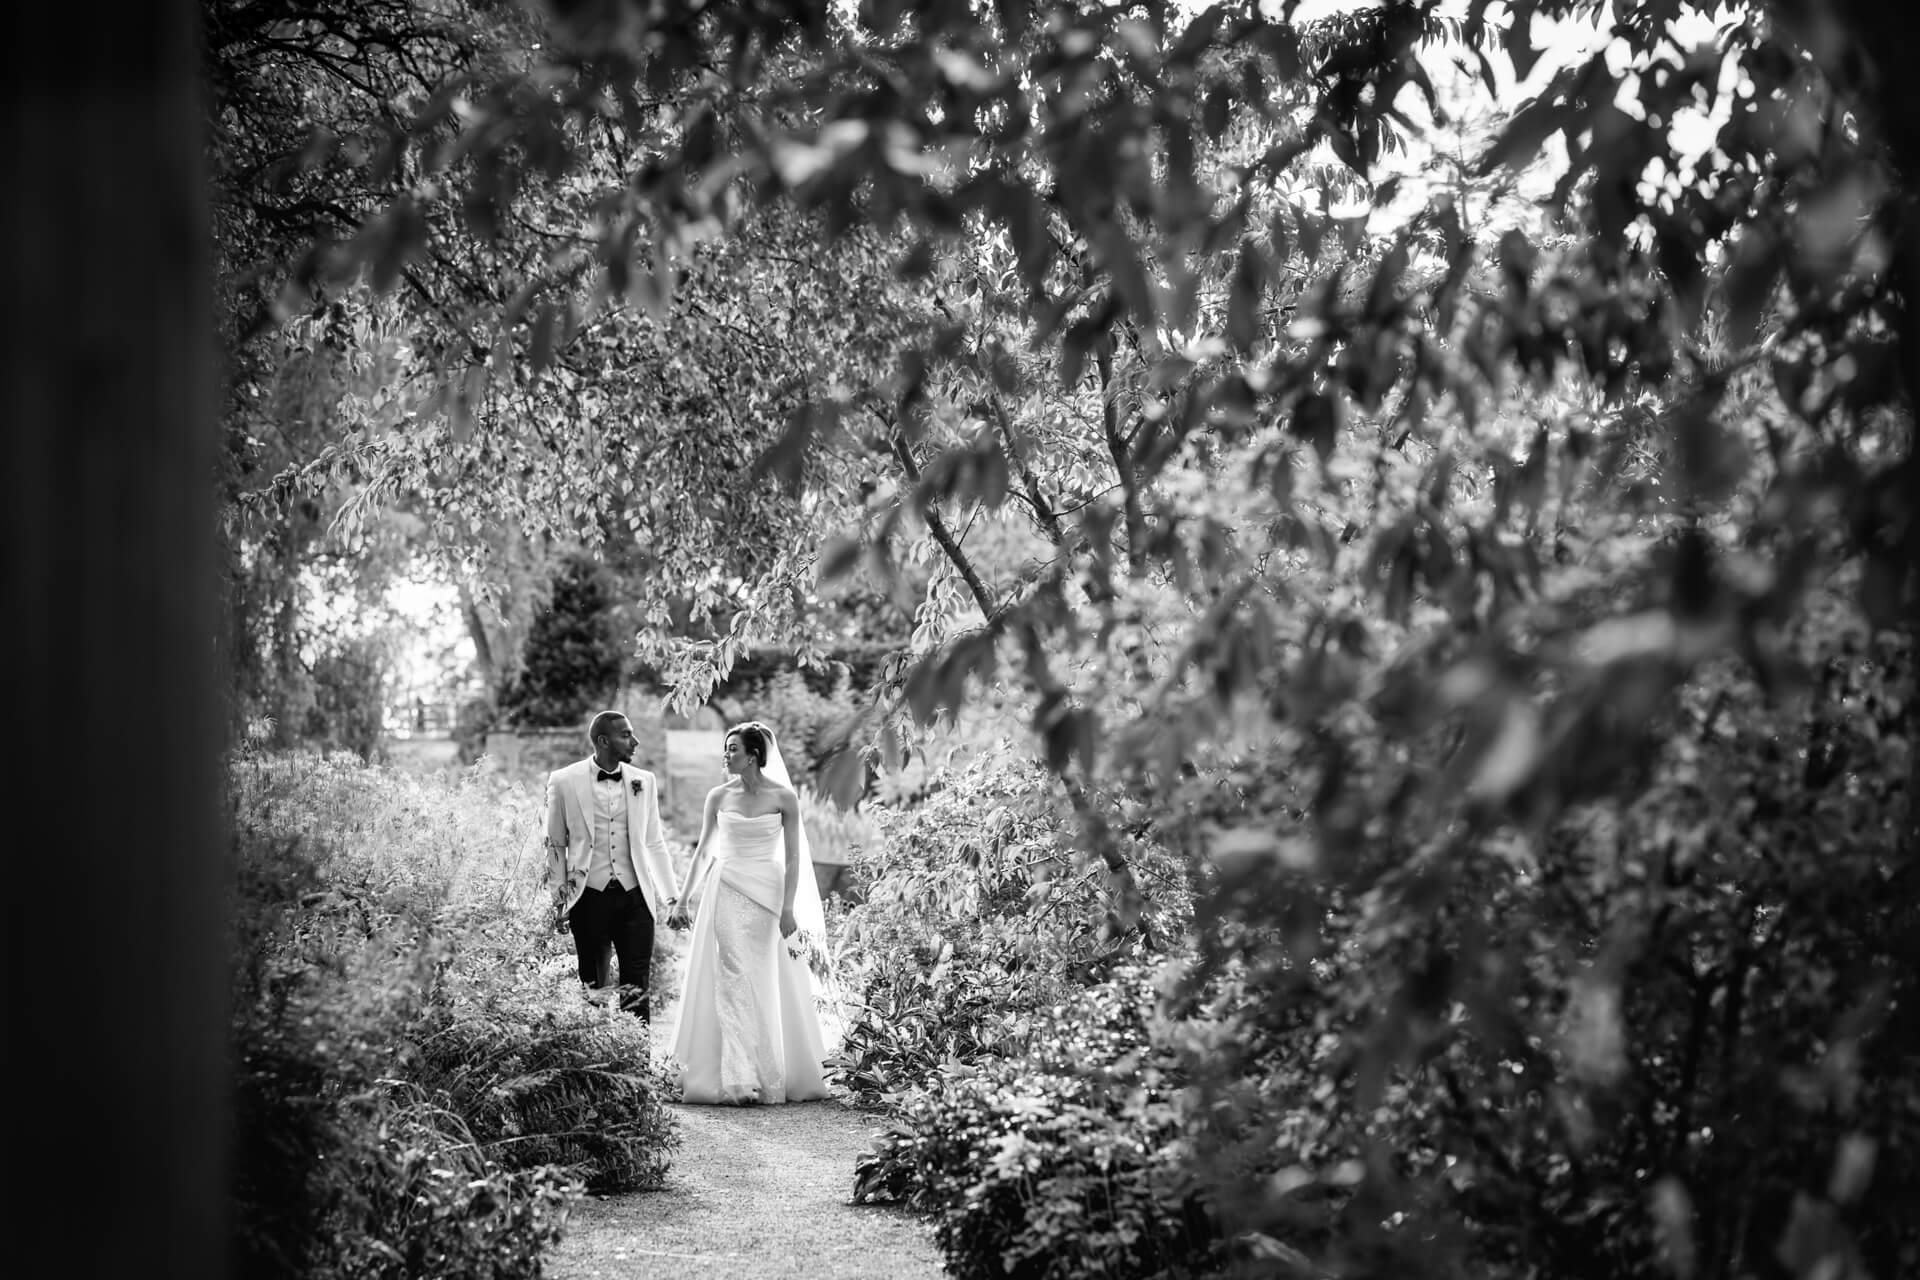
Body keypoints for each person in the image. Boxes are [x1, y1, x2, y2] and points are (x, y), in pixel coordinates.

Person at [665, 721, 833, 1104]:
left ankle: (768, 1066)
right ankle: (739, 1078)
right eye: (726, 749)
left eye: (733, 749)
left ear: (754, 755)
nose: (726, 755)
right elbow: (704, 851)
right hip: (727, 888)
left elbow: (793, 858)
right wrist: (683, 898)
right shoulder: (718, 797)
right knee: (734, 971)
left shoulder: (783, 798)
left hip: (769, 893)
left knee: (763, 977)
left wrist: (789, 908)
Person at [545, 710, 678, 1021]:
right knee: (593, 988)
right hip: (588, 897)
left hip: (636, 900)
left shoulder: (644, 781)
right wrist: (559, 900)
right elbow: (555, 845)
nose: (635, 741)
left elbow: (654, 842)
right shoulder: (564, 781)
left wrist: (671, 898)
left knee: (637, 988)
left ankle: (637, 1066)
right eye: (626, 735)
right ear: (603, 741)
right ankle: (597, 1065)